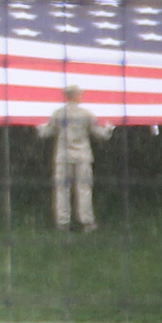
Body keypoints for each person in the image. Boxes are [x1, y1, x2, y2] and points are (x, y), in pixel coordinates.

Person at [36, 85, 102, 232]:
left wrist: (39, 128)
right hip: (82, 155)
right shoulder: (86, 114)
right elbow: (99, 133)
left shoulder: (58, 114)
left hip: (63, 155)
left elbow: (46, 132)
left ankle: (63, 222)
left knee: (62, 189)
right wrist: (109, 129)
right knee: (83, 189)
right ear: (76, 95)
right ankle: (86, 221)